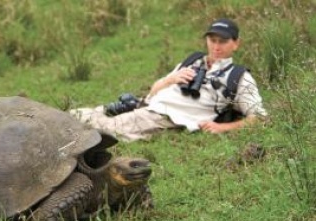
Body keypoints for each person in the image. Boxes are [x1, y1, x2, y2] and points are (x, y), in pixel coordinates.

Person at [70, 18, 268, 142]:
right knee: (76, 114)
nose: (216, 47)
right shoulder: (193, 60)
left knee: (101, 128)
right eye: (212, 40)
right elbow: (152, 92)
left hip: (165, 117)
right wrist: (171, 79)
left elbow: (259, 118)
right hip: (144, 106)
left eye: (223, 41)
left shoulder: (240, 77)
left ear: (236, 44)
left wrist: (222, 127)